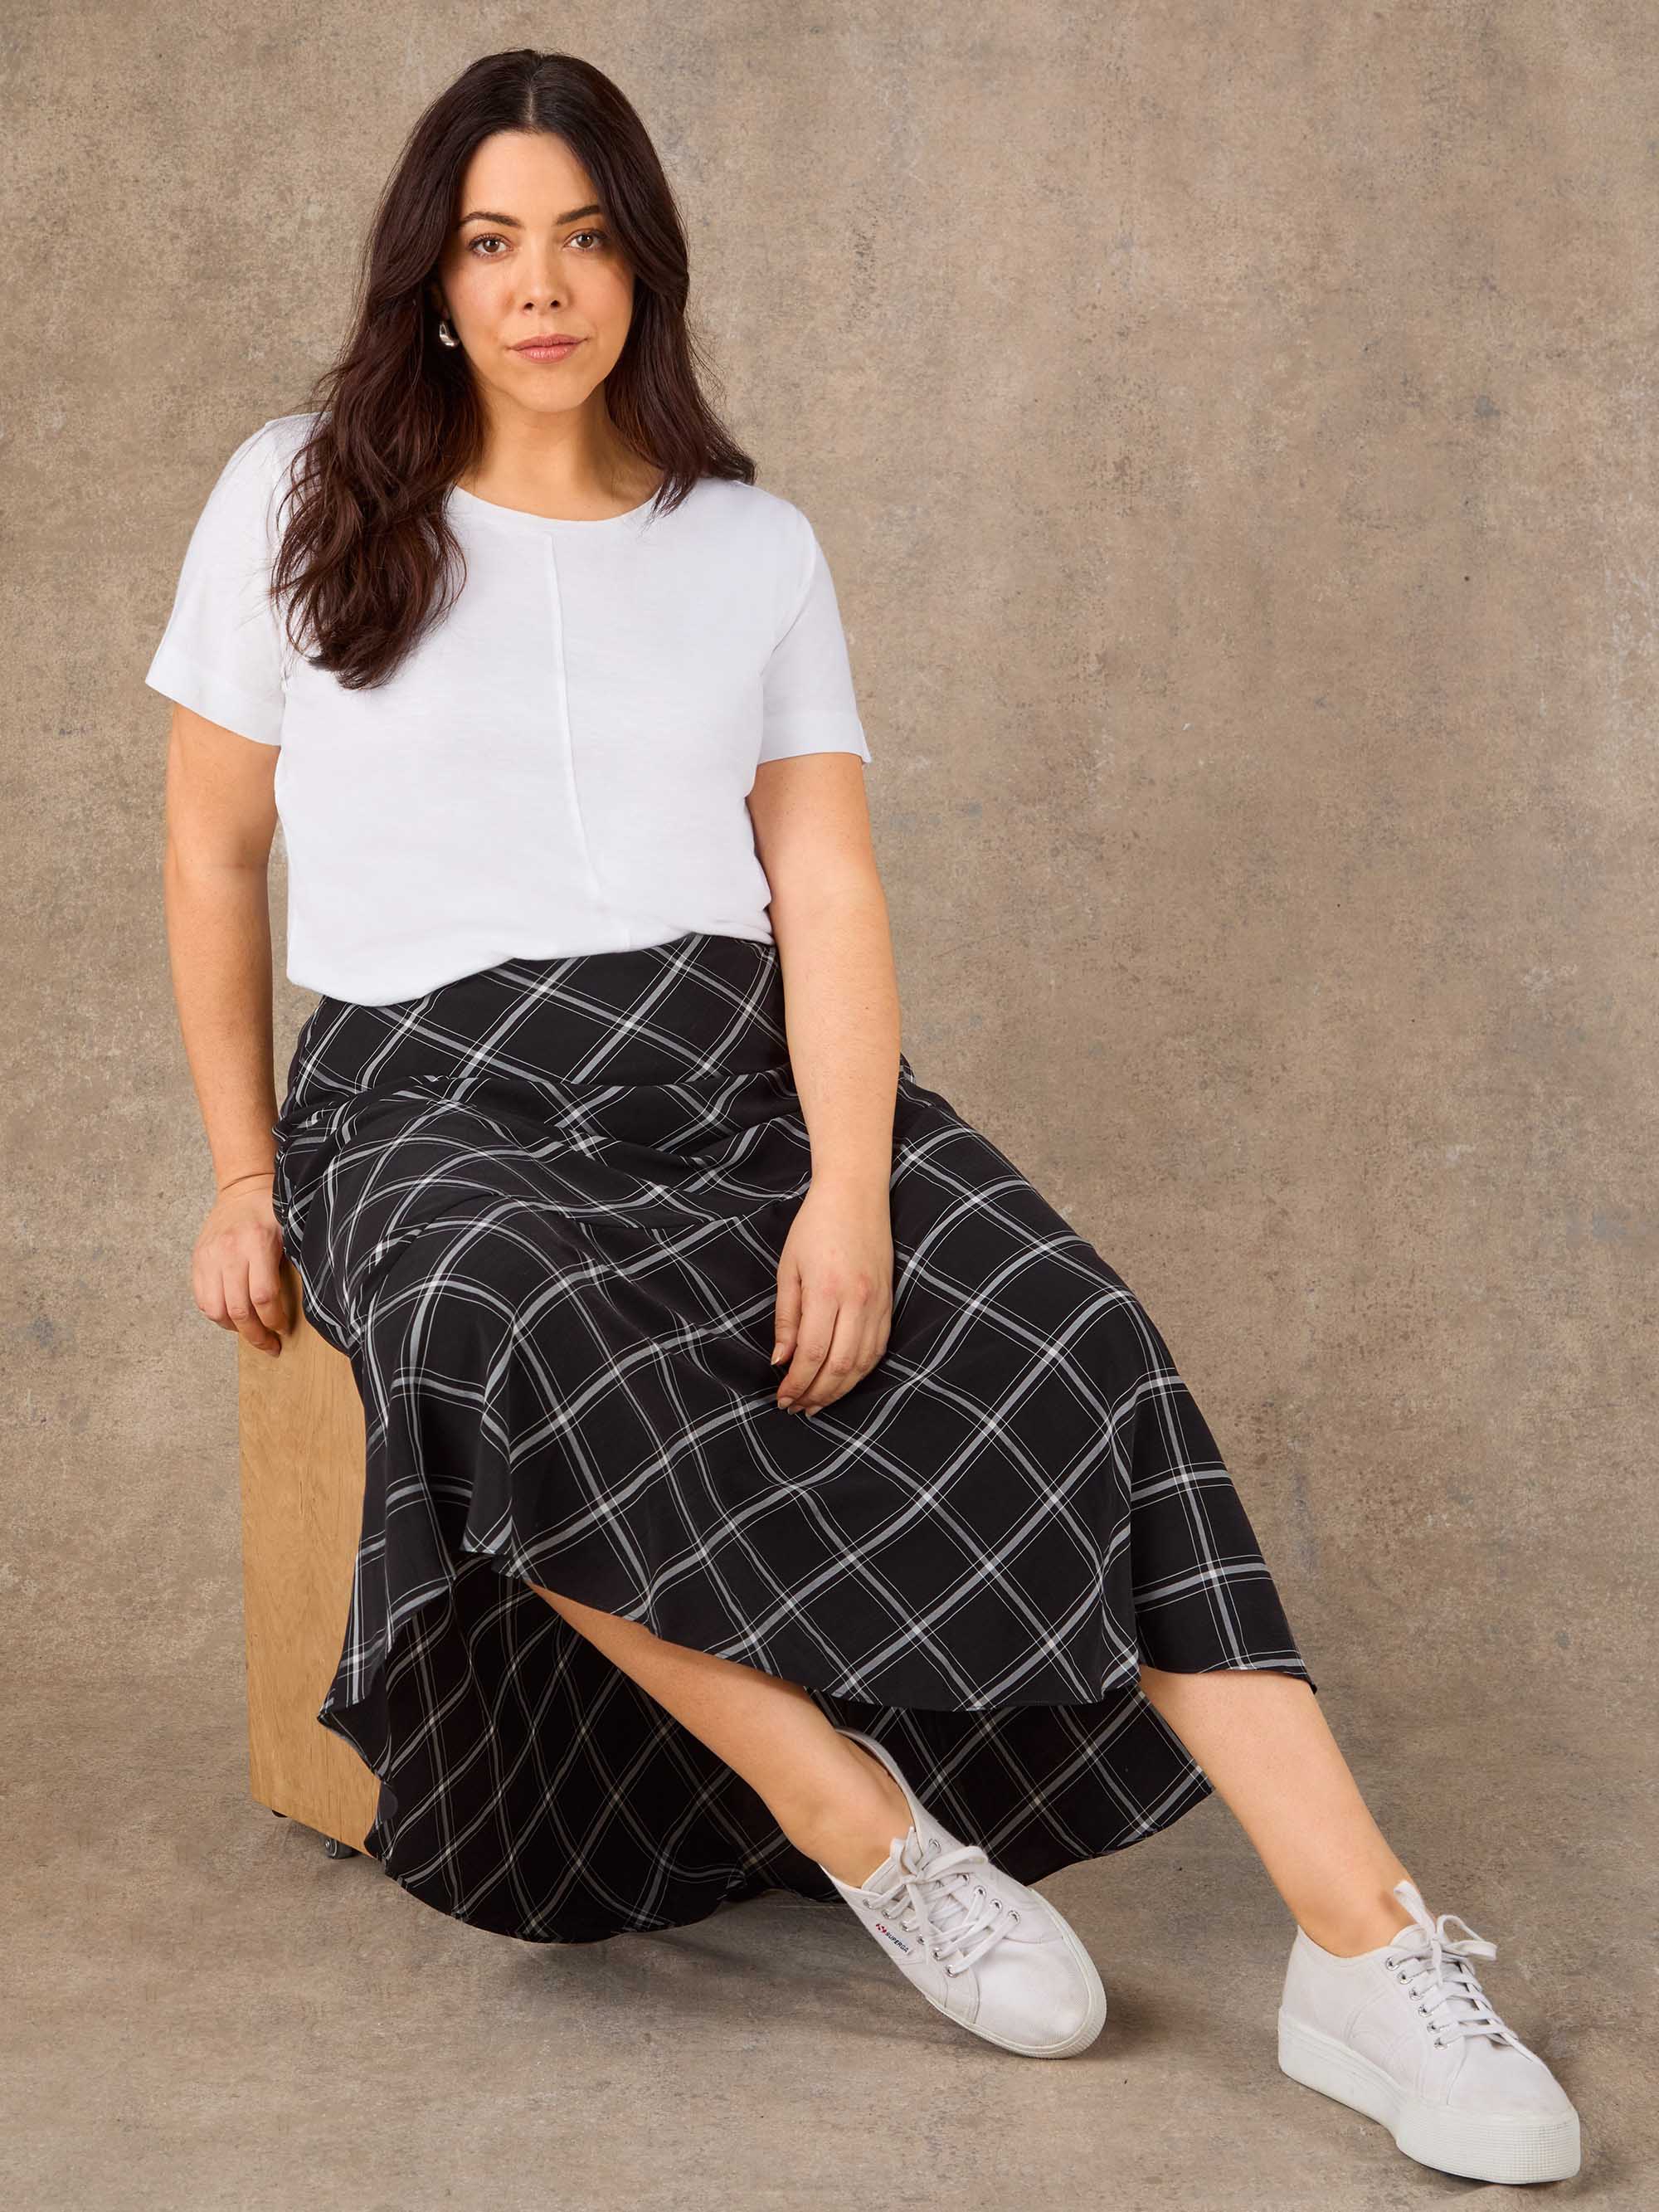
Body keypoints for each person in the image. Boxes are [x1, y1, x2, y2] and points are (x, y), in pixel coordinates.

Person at [144, 46, 1579, 2187]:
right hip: (422, 1091)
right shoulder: (291, 490)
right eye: (492, 241)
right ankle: (871, 1831)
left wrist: (846, 1189)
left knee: (1088, 1341)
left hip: (730, 1055)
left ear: (649, 266)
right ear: (429, 276)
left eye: (589, 236)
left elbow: (823, 882)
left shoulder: (749, 543)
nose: (545, 284)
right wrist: (249, 1174)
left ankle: (1363, 1952)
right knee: (505, 1324)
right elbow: (210, 852)